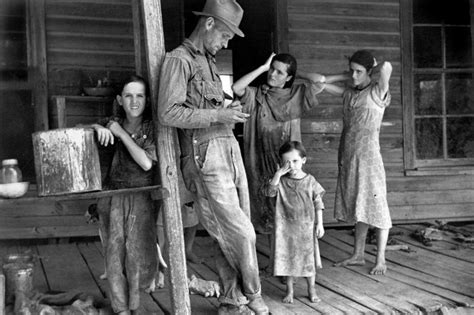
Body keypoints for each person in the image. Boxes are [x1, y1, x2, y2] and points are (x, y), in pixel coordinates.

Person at [157, 0, 269, 314]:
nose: (225, 43)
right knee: (238, 230)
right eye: (224, 36)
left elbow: (207, 108)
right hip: (203, 151)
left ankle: (232, 299)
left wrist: (227, 114)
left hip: (227, 146)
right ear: (208, 24)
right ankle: (254, 293)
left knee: (234, 226)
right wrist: (219, 114)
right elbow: (168, 112)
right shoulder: (179, 60)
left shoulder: (207, 59)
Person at [232, 53, 325, 236]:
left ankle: (292, 258)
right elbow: (237, 87)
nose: (273, 74)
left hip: (289, 162)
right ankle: (275, 259)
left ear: (289, 77)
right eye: (272, 69)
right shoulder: (257, 94)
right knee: (267, 207)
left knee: (291, 207)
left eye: (280, 72)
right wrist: (262, 68)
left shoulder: (296, 94)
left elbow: (320, 81)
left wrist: (296, 74)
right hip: (260, 159)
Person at [320, 50, 393, 275]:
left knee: (377, 206)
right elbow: (318, 81)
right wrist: (347, 76)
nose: (353, 75)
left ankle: (380, 259)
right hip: (349, 156)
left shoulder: (378, 92)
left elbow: (387, 68)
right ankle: (358, 254)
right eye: (351, 71)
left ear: (369, 71)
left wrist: (370, 67)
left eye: (358, 71)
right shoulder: (349, 94)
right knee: (360, 206)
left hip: (370, 159)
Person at [91, 75, 158, 314]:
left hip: (140, 195)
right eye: (128, 96)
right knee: (113, 254)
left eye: (139, 95)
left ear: (146, 100)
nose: (134, 101)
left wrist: (120, 133)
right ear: (120, 99)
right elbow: (85, 129)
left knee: (137, 254)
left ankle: (136, 305)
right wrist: (99, 128)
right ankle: (121, 308)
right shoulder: (112, 121)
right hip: (113, 195)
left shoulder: (150, 127)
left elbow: (146, 163)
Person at [262, 141, 325, 304]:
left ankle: (312, 289)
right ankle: (289, 291)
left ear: (304, 160)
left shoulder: (310, 181)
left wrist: (320, 224)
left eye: (295, 161)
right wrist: (277, 174)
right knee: (288, 260)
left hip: (306, 228)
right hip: (286, 228)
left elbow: (318, 202)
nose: (291, 165)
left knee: (307, 260)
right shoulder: (281, 181)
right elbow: (270, 193)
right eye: (286, 162)